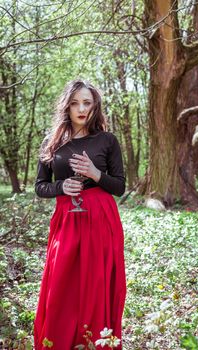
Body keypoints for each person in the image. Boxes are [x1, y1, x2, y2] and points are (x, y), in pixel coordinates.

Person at [34, 78, 126, 350]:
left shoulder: (107, 140)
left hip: (100, 219)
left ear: (95, 105)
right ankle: (59, 341)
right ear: (67, 107)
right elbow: (40, 186)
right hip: (67, 220)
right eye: (75, 103)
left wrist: (95, 174)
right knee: (62, 285)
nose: (81, 108)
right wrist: (61, 186)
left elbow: (119, 186)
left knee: (96, 285)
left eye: (87, 102)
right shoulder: (52, 143)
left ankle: (95, 342)